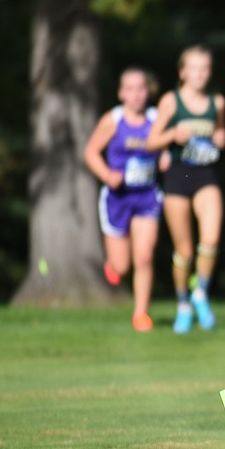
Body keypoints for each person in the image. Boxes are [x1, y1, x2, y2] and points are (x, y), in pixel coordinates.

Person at [146, 45, 225, 334]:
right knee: (184, 250)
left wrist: (220, 137)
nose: (199, 74)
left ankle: (201, 293)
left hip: (205, 175)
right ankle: (183, 303)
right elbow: (151, 141)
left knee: (211, 239)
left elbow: (221, 133)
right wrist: (172, 135)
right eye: (193, 68)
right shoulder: (170, 101)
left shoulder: (217, 103)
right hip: (178, 178)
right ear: (182, 72)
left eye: (205, 68)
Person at [83, 67, 163, 332]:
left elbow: (166, 147)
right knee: (122, 265)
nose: (136, 94)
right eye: (130, 89)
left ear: (148, 91)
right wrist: (107, 174)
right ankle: (113, 265)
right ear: (121, 93)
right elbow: (91, 152)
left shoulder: (157, 118)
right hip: (118, 198)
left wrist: (166, 158)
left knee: (144, 256)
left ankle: (141, 313)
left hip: (147, 195)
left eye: (141, 88)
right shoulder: (112, 121)